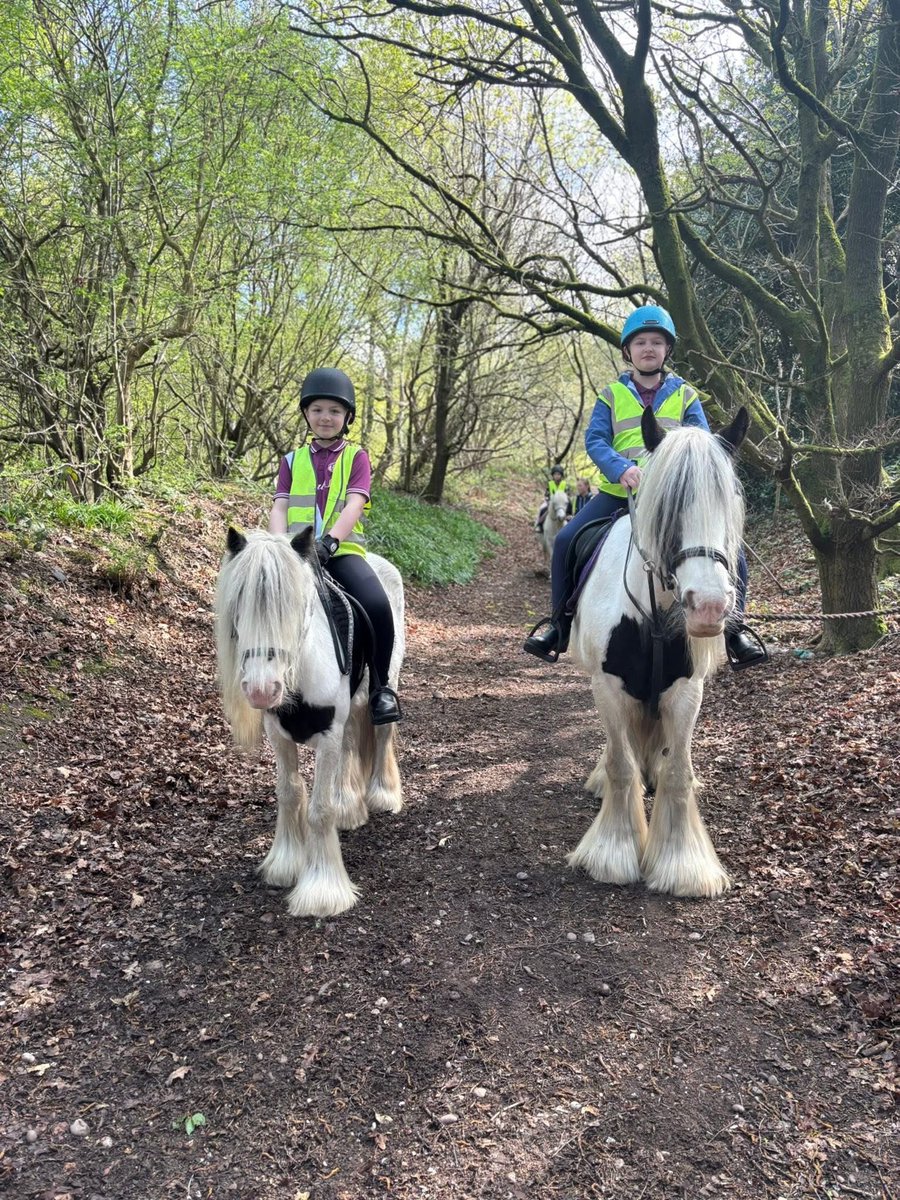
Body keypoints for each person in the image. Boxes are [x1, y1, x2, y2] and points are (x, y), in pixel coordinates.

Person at [523, 305, 766, 667]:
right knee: (565, 540)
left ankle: (735, 632)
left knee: (734, 552)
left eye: (656, 342)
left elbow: (702, 444)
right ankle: (559, 625)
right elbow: (596, 440)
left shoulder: (685, 395)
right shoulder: (611, 395)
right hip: (618, 495)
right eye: (640, 342)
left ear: (667, 350)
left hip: (672, 501)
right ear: (628, 350)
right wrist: (621, 468)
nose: (648, 348)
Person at [269, 367, 402, 725]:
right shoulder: (291, 461)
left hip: (341, 553)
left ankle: (381, 688)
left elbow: (355, 503)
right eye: (317, 410)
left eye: (334, 411)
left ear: (347, 417)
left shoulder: (357, 457)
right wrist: (281, 547)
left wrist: (330, 543)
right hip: (296, 555)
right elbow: (279, 507)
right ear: (306, 414)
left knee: (377, 604)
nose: (325, 417)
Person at [534, 464, 571, 531]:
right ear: (553, 475)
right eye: (555, 474)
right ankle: (539, 524)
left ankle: (570, 524)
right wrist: (548, 501)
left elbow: (567, 495)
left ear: (561, 475)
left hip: (562, 503)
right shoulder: (550, 484)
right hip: (551, 502)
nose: (557, 476)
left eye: (558, 474)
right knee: (542, 508)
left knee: (569, 509)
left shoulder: (565, 485)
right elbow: (547, 494)